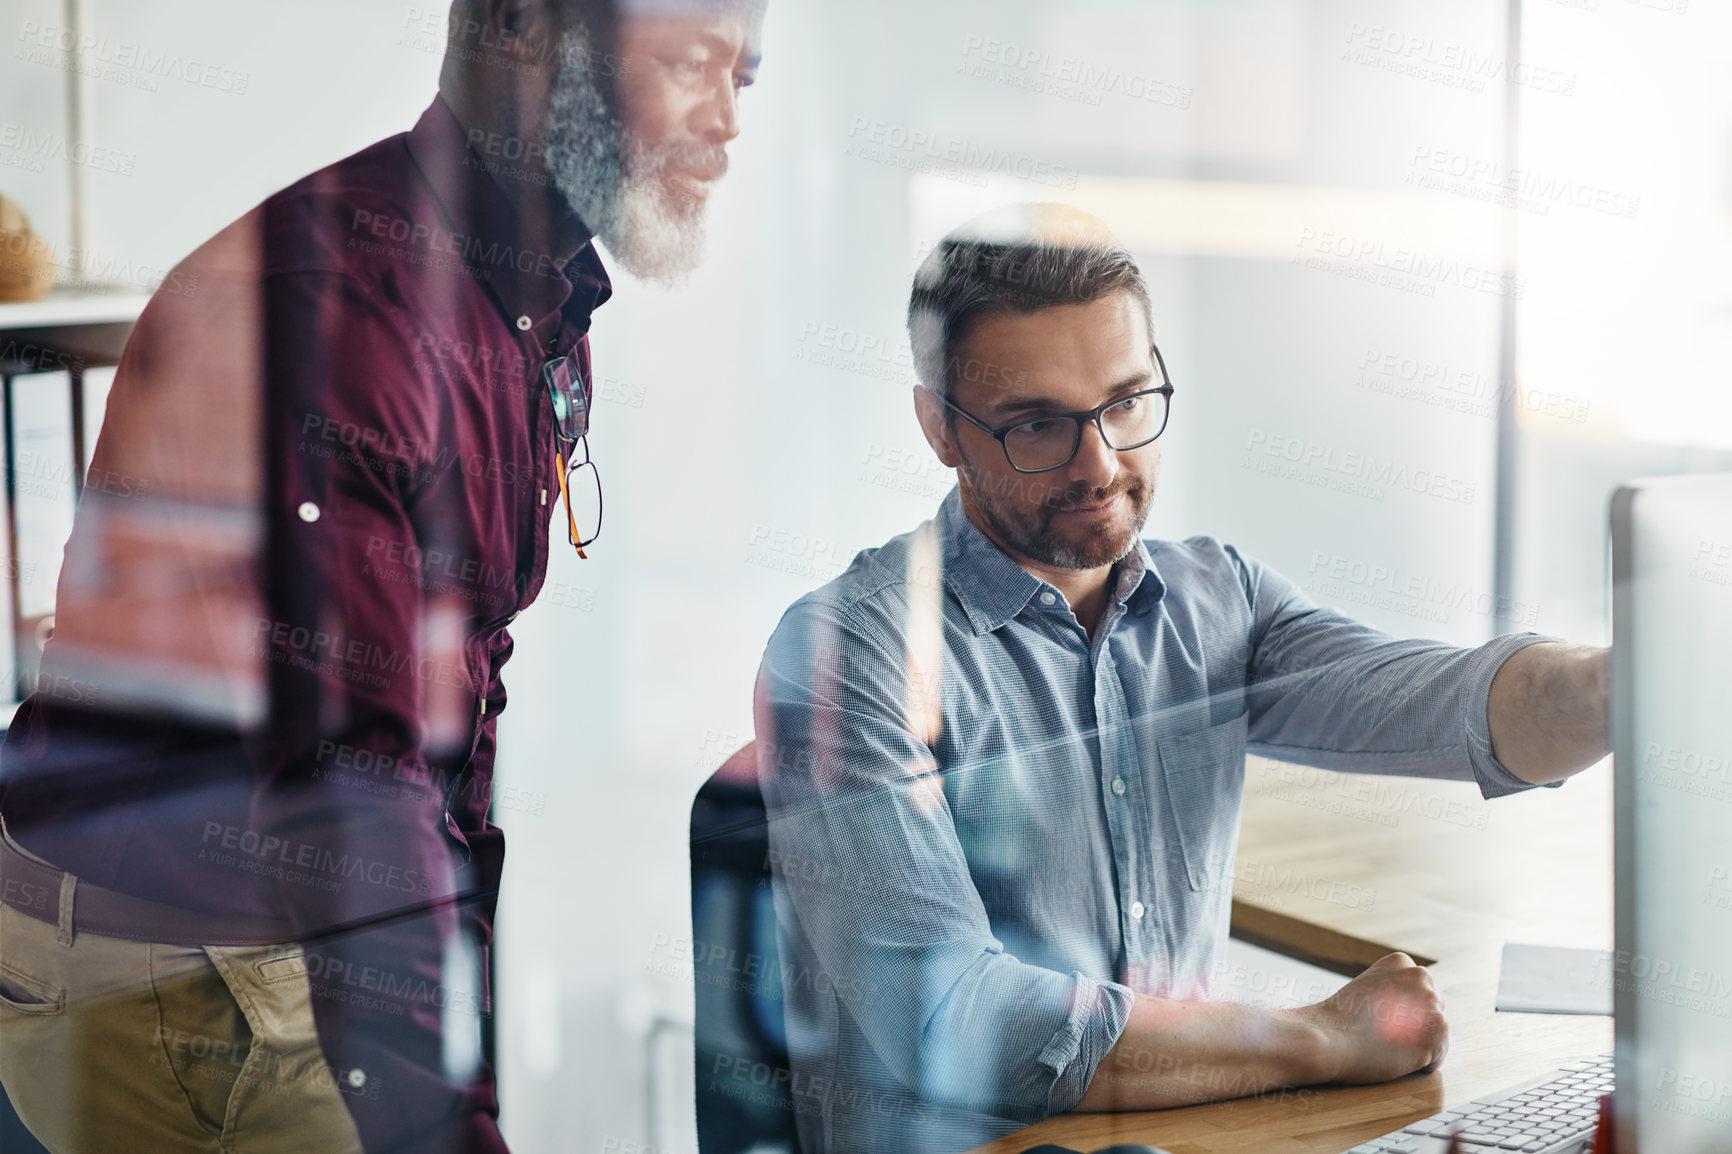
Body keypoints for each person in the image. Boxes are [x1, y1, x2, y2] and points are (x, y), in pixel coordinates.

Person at [0, 1, 762, 1151]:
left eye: (744, 78)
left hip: (293, 917)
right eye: (694, 61)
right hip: (173, 967)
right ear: (515, 24)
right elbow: (354, 780)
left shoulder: (534, 293)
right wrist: (449, 1114)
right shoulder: (330, 310)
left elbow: (460, 679)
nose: (726, 121)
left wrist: (463, 1019)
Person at [752, 204, 1610, 1154]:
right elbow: (954, 1021)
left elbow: (1446, 706)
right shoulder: (847, 652)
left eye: (1126, 402)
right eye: (1038, 424)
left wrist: (1631, 684)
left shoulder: (1216, 600)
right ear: (939, 428)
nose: (1102, 462)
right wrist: (1320, 1038)